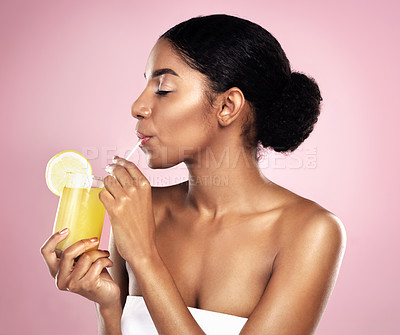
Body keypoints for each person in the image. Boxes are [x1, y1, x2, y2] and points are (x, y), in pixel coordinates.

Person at [41, 14, 346, 335]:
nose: (137, 106)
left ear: (227, 106)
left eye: (163, 88)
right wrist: (106, 304)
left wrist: (146, 258)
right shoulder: (140, 209)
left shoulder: (311, 232)